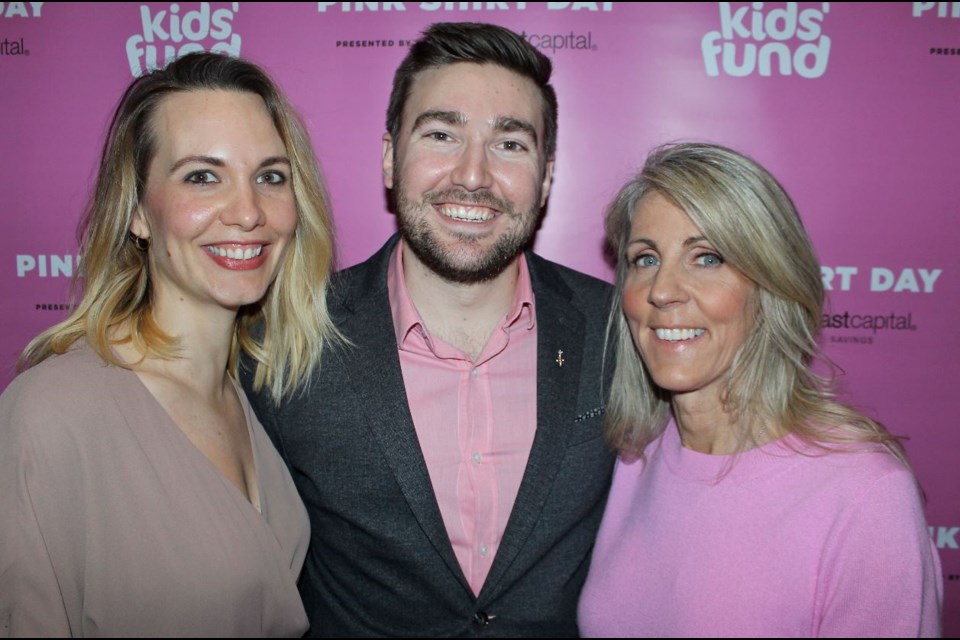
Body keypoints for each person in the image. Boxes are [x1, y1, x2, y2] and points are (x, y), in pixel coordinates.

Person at [243, 22, 615, 636]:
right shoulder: (286, 336)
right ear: (391, 158)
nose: (472, 175)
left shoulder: (619, 331)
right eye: (441, 134)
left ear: (546, 177)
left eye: (510, 144)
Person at [0, 52, 339, 636]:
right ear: (137, 211)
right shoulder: (51, 415)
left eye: (270, 176)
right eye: (202, 176)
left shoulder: (254, 396)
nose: (248, 211)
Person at [577, 142, 943, 637]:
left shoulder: (862, 495)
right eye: (645, 259)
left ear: (770, 281)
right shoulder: (634, 457)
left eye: (706, 258)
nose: (662, 290)